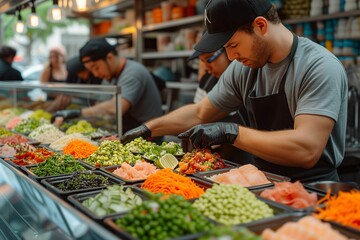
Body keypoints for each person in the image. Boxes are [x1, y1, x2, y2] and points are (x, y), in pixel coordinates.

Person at [121, 0, 348, 182]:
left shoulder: (318, 66)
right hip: (261, 180)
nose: (231, 57)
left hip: (312, 188)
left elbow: (306, 149)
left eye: (233, 45)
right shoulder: (244, 68)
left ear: (261, 26)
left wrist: (232, 132)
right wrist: (148, 129)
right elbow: (201, 112)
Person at [52, 38, 163, 133]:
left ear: (109, 57)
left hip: (148, 139)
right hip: (127, 132)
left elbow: (114, 108)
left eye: (96, 68)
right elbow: (100, 104)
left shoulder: (133, 73)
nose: (96, 74)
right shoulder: (109, 76)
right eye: (91, 71)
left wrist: (76, 113)